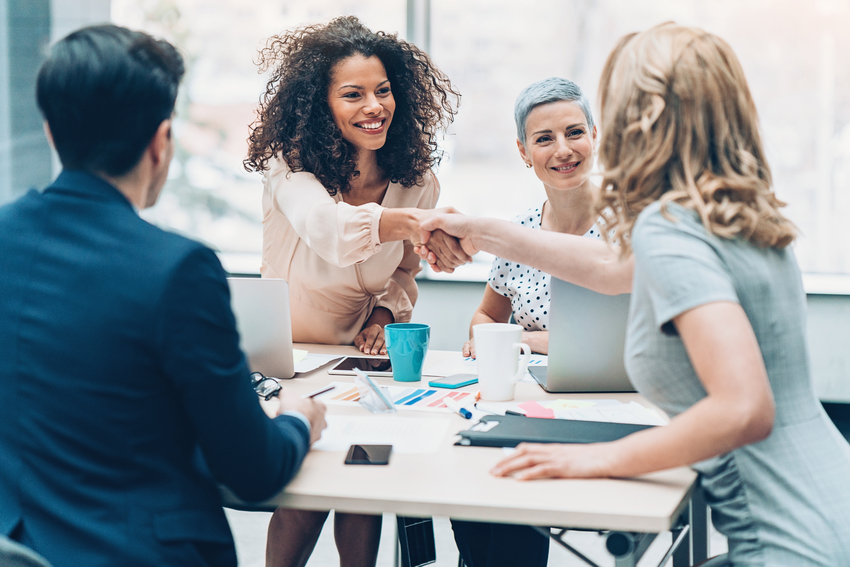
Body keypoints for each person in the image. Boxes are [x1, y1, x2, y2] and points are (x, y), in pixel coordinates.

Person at [424, 22, 850, 566]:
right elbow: (605, 267)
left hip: (784, 541)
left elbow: (745, 407)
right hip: (831, 504)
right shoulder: (740, 213)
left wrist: (598, 460)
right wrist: (480, 232)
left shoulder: (670, 227)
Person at [0, 25, 326, 567]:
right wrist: (297, 417)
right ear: (160, 140)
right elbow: (253, 472)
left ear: (53, 133)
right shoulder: (177, 268)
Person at [243, 16, 464, 567]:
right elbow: (332, 232)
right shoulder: (290, 165)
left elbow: (406, 271)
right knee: (310, 488)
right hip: (284, 362)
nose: (375, 106)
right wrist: (412, 223)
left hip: (354, 364)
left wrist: (387, 313)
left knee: (363, 481)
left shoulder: (416, 180)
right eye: (353, 94)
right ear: (321, 106)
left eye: (384, 90)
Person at [462, 77, 603, 360]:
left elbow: (618, 341)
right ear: (524, 151)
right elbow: (486, 316)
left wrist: (523, 339)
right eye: (544, 139)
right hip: (528, 387)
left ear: (594, 136)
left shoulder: (632, 224)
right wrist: (493, 338)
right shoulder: (519, 232)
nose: (563, 150)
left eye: (574, 132)